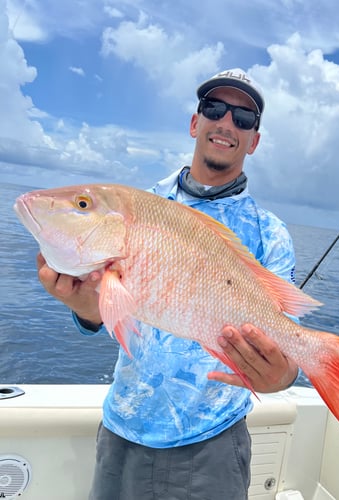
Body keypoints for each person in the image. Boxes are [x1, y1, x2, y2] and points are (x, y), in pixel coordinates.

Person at [37, 68, 299, 500]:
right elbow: (99, 312)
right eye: (215, 108)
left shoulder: (269, 233)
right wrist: (85, 308)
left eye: (244, 118)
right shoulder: (135, 207)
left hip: (210, 445)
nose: (227, 123)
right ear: (196, 123)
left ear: (254, 141)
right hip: (121, 430)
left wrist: (281, 377)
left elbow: (285, 356)